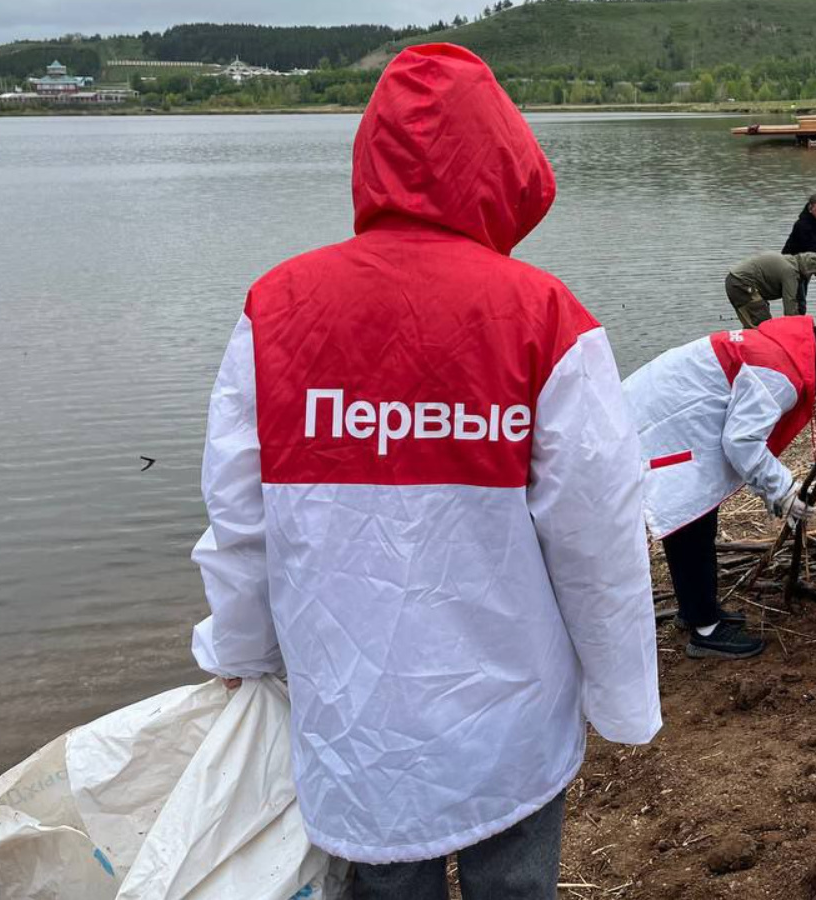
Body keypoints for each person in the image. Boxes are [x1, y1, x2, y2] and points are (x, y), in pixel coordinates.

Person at [189, 44, 662, 899]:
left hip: (352, 710)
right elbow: (598, 535)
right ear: (503, 165)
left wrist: (240, 647)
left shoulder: (275, 310)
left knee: (378, 883)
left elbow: (240, 516)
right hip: (508, 711)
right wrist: (623, 698)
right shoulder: (546, 317)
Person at [626, 317, 816, 660]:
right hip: (659, 431)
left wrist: (772, 490)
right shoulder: (778, 374)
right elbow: (741, 441)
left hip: (663, 417)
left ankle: (696, 609)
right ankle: (705, 630)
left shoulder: (776, 349)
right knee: (690, 524)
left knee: (697, 519)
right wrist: (784, 491)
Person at [726, 250, 816, 327]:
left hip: (734, 281)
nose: (810, 277)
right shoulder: (790, 272)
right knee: (763, 324)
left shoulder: (789, 260)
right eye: (812, 274)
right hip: (741, 284)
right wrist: (798, 328)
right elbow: (790, 305)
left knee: (752, 326)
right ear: (806, 269)